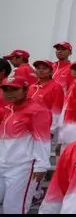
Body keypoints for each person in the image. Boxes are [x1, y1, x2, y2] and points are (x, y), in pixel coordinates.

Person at [0, 76, 51, 214]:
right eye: (5, 89)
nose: (9, 93)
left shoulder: (37, 110)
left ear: (25, 89)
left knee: (13, 208)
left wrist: (41, 165)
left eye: (14, 89)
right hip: (3, 164)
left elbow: (43, 140)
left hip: (22, 167)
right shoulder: (7, 109)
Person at [28, 60, 65, 135]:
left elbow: (56, 111)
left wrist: (51, 130)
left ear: (51, 72)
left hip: (45, 129)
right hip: (29, 128)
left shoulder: (56, 87)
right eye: (38, 68)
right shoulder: (32, 87)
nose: (40, 71)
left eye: (44, 68)